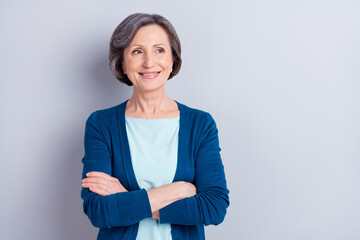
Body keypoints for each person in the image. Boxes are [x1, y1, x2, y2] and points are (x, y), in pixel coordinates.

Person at [81, 13, 230, 240]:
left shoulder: (200, 124)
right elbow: (99, 211)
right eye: (137, 51)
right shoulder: (101, 125)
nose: (149, 62)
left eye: (159, 50)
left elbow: (214, 207)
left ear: (172, 60)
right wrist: (178, 191)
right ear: (122, 62)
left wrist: (128, 199)